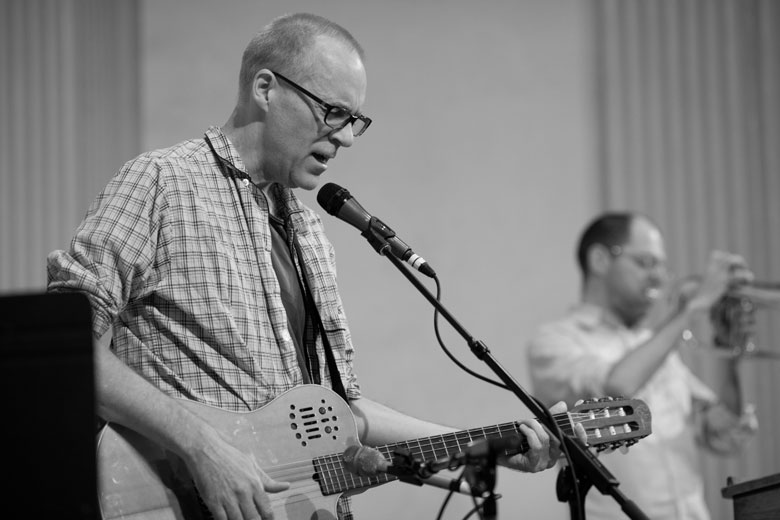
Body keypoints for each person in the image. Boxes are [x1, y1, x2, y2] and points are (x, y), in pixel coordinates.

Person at [47, 13, 568, 520]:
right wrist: (202, 446)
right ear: (266, 89)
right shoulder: (160, 183)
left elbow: (345, 415)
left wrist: (489, 448)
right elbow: (64, 353)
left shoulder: (310, 232)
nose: (346, 137)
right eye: (333, 112)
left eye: (355, 120)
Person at [527, 211, 759, 520]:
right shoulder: (555, 341)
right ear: (599, 260)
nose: (659, 277)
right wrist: (692, 308)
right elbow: (617, 387)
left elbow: (723, 433)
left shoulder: (656, 346)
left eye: (662, 267)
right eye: (646, 262)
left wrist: (730, 351)